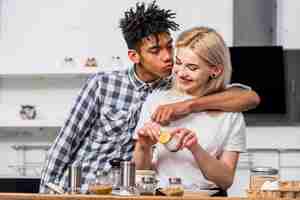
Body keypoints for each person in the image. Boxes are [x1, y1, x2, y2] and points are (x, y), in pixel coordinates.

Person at [40, 1, 258, 193]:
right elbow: (65, 143)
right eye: (155, 51)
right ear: (135, 56)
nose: (168, 58)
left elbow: (249, 98)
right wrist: (44, 191)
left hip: (126, 190)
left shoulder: (178, 86)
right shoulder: (103, 85)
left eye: (169, 47)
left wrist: (188, 106)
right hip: (83, 186)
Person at [133, 26, 246, 196]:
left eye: (192, 67)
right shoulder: (156, 101)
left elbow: (226, 180)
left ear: (215, 70)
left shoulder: (231, 115)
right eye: (178, 63)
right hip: (161, 195)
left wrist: (195, 148)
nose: (181, 73)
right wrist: (143, 146)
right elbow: (140, 173)